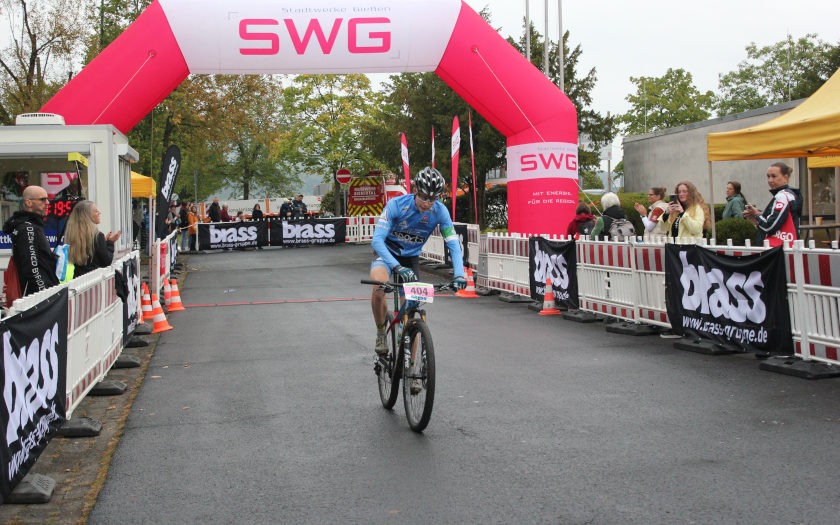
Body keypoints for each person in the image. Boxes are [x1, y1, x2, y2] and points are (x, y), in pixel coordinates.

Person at [369, 168, 467, 379]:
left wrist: (459, 274)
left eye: (433, 198)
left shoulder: (440, 211)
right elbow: (377, 240)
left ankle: (411, 367)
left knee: (413, 308)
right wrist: (396, 267)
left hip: (410, 258)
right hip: (387, 254)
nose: (427, 203)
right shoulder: (397, 205)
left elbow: (453, 244)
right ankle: (380, 332)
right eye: (423, 197)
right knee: (378, 286)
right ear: (415, 190)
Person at [2, 185, 60, 295]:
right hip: (36, 297)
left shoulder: (32, 226)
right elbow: (31, 267)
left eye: (48, 199)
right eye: (42, 199)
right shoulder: (27, 228)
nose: (47, 203)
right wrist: (44, 293)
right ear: (28, 203)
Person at [743, 162, 801, 247]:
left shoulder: (783, 196)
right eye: (768, 176)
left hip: (778, 250)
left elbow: (769, 226)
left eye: (774, 176)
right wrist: (757, 218)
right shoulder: (786, 195)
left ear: (785, 178)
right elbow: (776, 222)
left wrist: (757, 215)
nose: (770, 180)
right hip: (782, 247)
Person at [63, 200, 122, 277]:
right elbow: (106, 261)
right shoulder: (97, 236)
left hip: (78, 279)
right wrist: (110, 243)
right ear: (87, 215)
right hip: (94, 280)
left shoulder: (73, 235)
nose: (99, 213)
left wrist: (104, 243)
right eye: (96, 211)